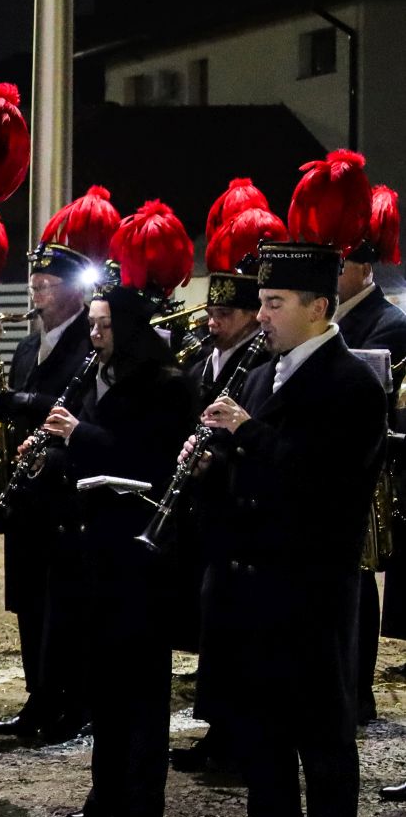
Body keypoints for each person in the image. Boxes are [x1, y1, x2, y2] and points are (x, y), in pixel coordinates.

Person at [197, 240, 386, 817]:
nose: (263, 313)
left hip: (309, 587)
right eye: (262, 301)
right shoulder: (256, 374)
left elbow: (318, 481)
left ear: (319, 306)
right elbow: (251, 470)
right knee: (261, 727)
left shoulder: (351, 385)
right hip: (253, 581)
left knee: (321, 733)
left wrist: (244, 433)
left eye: (275, 302)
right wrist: (212, 458)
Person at [38, 277, 194, 817]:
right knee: (103, 684)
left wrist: (80, 435)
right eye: (92, 325)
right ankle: (104, 796)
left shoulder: (167, 386)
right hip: (93, 548)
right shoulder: (94, 377)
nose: (96, 335)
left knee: (140, 688)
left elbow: (151, 460)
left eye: (105, 326)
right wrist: (53, 449)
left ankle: (138, 807)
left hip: (139, 552)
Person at [0, 242, 94, 743]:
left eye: (47, 287)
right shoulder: (29, 345)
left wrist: (22, 400)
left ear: (73, 292)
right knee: (28, 600)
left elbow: (79, 403)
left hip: (63, 491)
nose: (37, 294)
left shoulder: (87, 344)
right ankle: (39, 697)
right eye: (34, 286)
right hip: (27, 489)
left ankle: (70, 702)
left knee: (61, 602)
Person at [170, 264, 265, 775]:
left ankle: (235, 734)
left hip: (236, 513)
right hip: (201, 510)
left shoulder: (259, 364)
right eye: (212, 311)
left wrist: (219, 461)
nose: (213, 321)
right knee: (209, 625)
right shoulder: (202, 362)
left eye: (225, 314)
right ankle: (216, 727)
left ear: (250, 316)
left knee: (234, 629)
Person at [329, 176, 406, 726]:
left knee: (356, 585)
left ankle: (356, 691)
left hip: (364, 472)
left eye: (337, 263)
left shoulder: (389, 324)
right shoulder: (329, 315)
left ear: (363, 267)